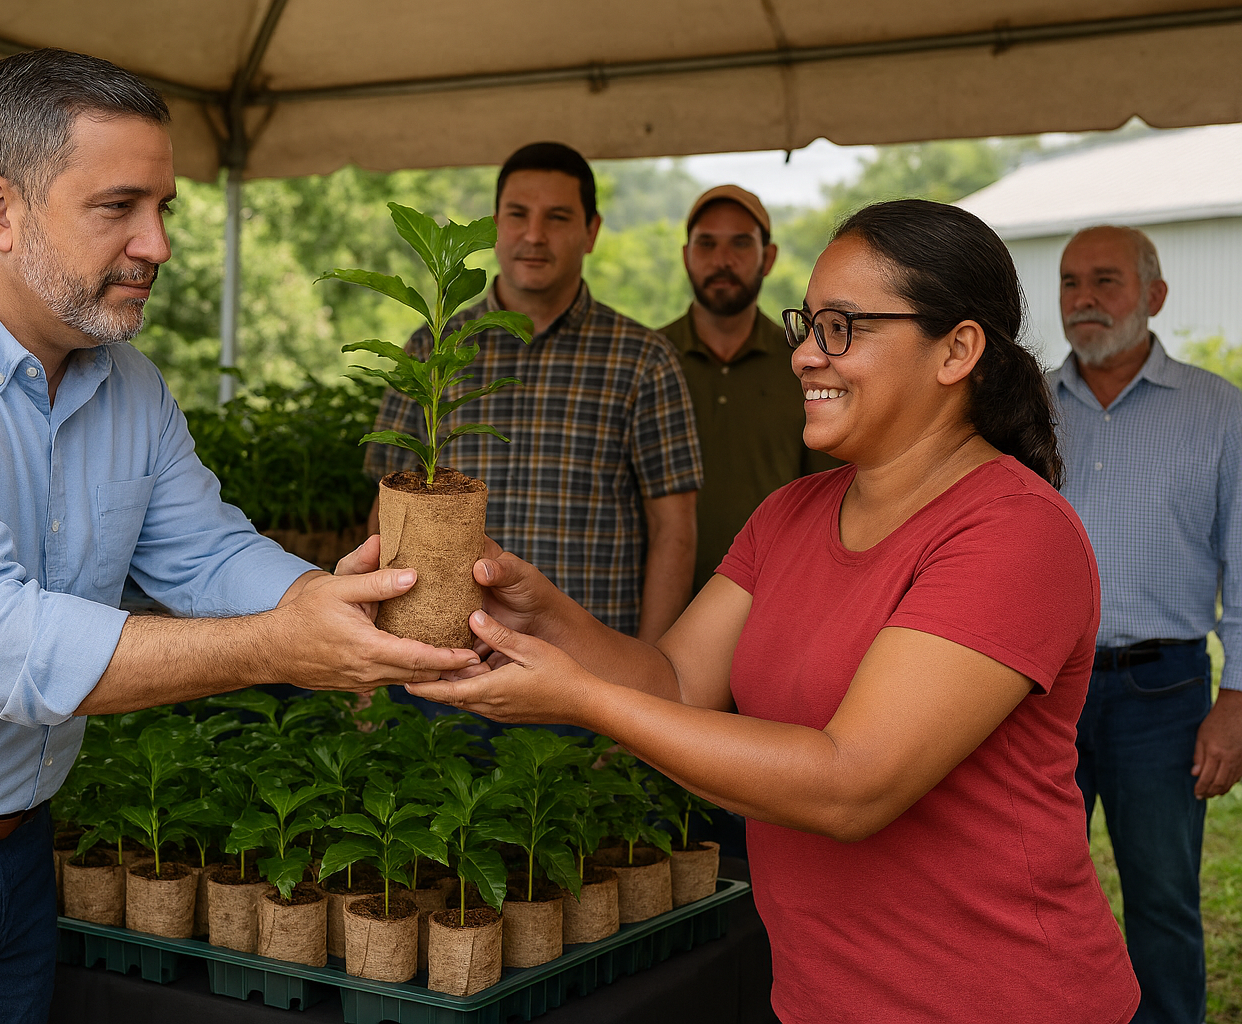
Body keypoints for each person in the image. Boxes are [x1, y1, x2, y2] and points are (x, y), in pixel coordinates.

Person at [0, 49, 473, 1024]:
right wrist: (279, 647)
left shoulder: (130, 385)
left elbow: (205, 555)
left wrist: (340, 607)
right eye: (118, 207)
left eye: (166, 208)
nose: (156, 244)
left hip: (17, 863)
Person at [411, 199, 1140, 1022]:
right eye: (806, 325)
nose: (802, 356)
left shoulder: (1014, 532)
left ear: (957, 350)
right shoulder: (790, 512)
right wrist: (548, 617)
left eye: (842, 328)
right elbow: (677, 682)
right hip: (821, 999)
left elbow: (850, 786)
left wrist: (582, 699)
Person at [365, 142, 702, 645]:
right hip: (443, 657)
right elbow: (385, 509)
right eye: (518, 215)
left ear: (592, 232)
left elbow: (674, 531)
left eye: (558, 217)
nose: (534, 235)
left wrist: (646, 674)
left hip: (586, 672)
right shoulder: (434, 349)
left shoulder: (642, 359)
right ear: (494, 225)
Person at [1053, 224, 1242, 1024]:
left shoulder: (1218, 410)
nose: (1084, 299)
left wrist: (1236, 698)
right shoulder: (1020, 409)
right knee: (1031, 891)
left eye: (1105, 280)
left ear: (1155, 296)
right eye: (1069, 283)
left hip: (1162, 691)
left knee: (1161, 901)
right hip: (1036, 690)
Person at [657, 184, 841, 591]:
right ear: (687, 256)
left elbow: (833, 496)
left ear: (768, 257)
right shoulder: (648, 360)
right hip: (654, 607)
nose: (722, 260)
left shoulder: (810, 361)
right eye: (707, 244)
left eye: (740, 243)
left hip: (777, 597)